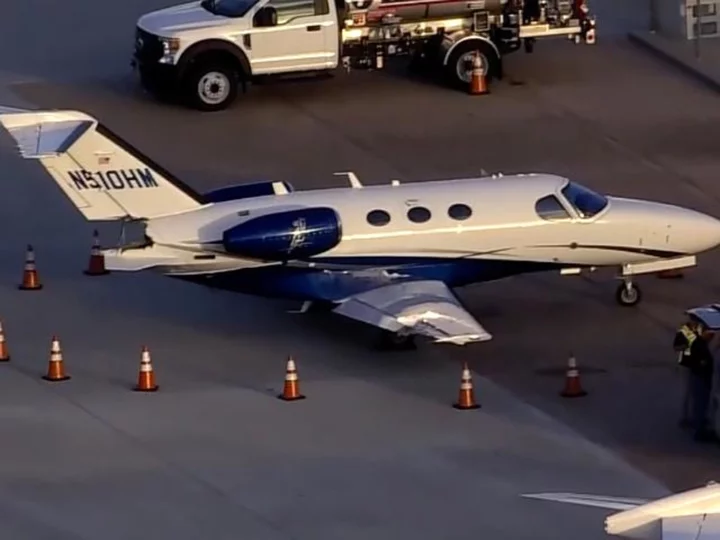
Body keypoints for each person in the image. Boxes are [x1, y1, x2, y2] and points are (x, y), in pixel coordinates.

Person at [678, 323, 717, 442]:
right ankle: (699, 431)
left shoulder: (695, 341)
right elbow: (705, 363)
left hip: (696, 374)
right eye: (710, 334)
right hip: (701, 377)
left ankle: (694, 421)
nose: (712, 337)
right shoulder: (700, 347)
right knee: (700, 402)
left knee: (695, 400)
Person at [674, 318, 700, 427]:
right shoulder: (683, 331)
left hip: (695, 365)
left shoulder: (698, 330)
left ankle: (693, 416)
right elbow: (676, 347)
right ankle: (684, 417)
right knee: (686, 393)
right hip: (685, 365)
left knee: (694, 392)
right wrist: (687, 344)